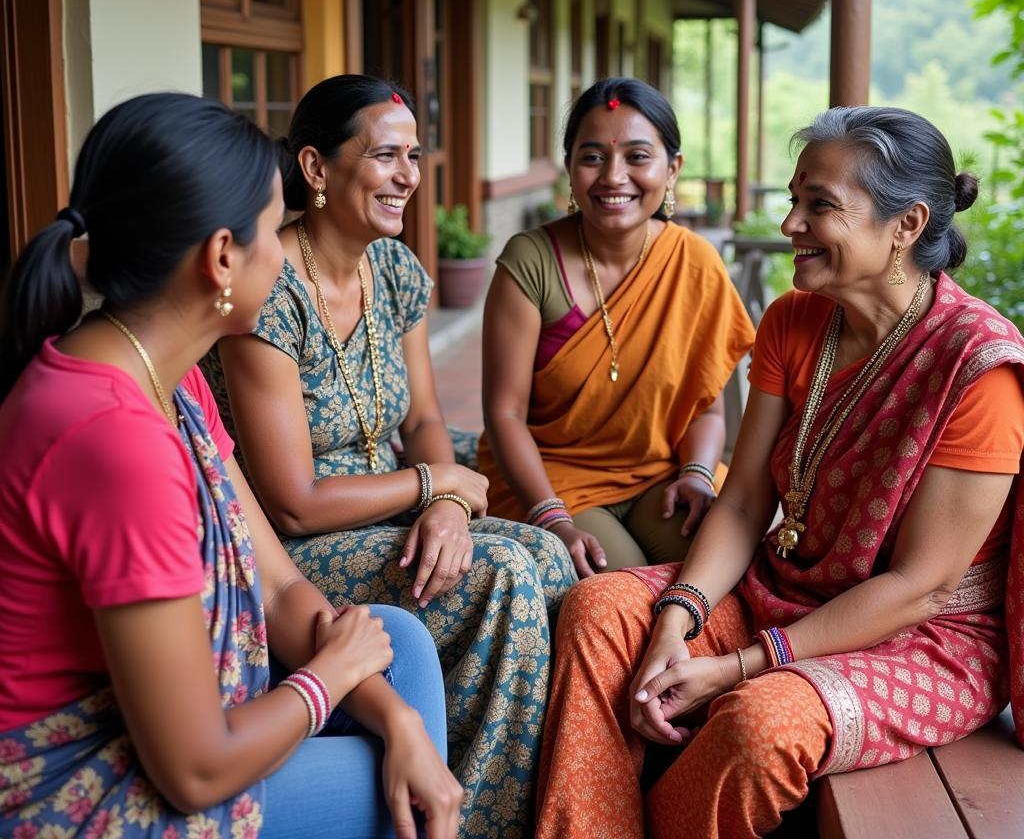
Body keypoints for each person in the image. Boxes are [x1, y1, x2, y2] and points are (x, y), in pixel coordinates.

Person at [535, 106, 1024, 839]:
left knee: (758, 722)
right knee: (600, 610)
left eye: (819, 205)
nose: (791, 223)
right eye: (794, 199)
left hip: (925, 636)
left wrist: (737, 667)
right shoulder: (795, 321)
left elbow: (920, 585)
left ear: (907, 225)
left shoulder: (977, 366)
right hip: (784, 588)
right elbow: (740, 507)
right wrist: (679, 617)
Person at [0, 94, 462, 839]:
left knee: (398, 646)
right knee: (393, 795)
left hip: (158, 733)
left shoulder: (165, 374)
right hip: (72, 783)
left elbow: (276, 582)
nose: (284, 251)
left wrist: (397, 717)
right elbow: (194, 770)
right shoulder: (114, 440)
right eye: (272, 229)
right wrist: (330, 680)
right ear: (221, 258)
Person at [207, 74, 576, 839]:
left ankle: (500, 792)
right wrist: (434, 483)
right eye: (386, 155)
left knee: (547, 559)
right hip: (298, 547)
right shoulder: (266, 287)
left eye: (414, 155)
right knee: (501, 579)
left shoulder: (398, 271)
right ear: (316, 168)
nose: (409, 175)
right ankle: (462, 820)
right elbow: (291, 502)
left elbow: (427, 418)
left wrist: (443, 505)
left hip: (397, 508)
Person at [477, 77, 755, 576]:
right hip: (552, 478)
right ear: (568, 167)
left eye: (637, 157)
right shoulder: (531, 261)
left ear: (673, 170)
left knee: (723, 559)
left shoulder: (694, 262)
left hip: (660, 473)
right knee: (618, 580)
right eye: (593, 157)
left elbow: (707, 409)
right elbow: (504, 415)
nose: (613, 176)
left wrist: (696, 474)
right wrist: (552, 519)